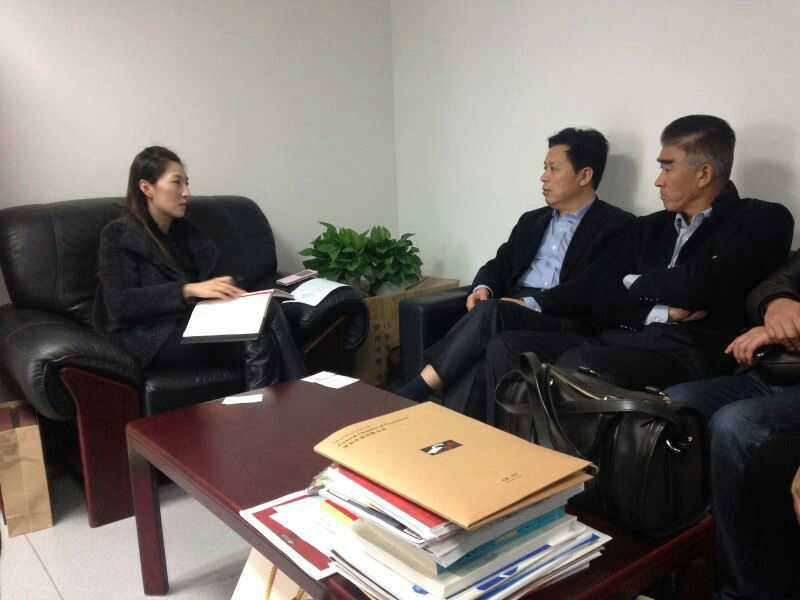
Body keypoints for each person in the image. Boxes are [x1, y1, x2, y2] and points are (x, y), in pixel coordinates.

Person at [485, 115, 794, 395]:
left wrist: (634, 282)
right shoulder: (648, 227)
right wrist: (664, 309)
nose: (658, 180)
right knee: (508, 345)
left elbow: (706, 284)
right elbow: (599, 294)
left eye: (667, 167)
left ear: (703, 174)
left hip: (689, 351)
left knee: (580, 363)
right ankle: (494, 439)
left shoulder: (761, 219)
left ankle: (549, 444)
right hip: (622, 336)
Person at [397, 127, 633, 422]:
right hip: (512, 308)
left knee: (491, 314)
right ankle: (450, 431)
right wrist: (483, 287)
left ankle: (413, 392)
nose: (543, 177)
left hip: (561, 316)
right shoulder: (532, 221)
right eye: (544, 168)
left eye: (553, 169)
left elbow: (591, 287)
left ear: (584, 176)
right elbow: (501, 263)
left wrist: (530, 304)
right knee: (488, 337)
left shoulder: (617, 225)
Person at [93, 146, 306, 389]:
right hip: (149, 335)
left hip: (193, 321)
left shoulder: (186, 234)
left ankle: (286, 400)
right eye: (176, 183)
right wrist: (187, 290)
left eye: (187, 183)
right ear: (146, 188)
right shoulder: (118, 234)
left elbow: (213, 280)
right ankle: (298, 395)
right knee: (257, 330)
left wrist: (231, 292)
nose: (186, 193)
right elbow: (120, 304)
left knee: (266, 312)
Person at [663, 251, 800, 599]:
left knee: (735, 426)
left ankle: (743, 590)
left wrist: (789, 329)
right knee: (671, 406)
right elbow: (774, 280)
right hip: (775, 371)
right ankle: (674, 567)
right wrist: (778, 303)